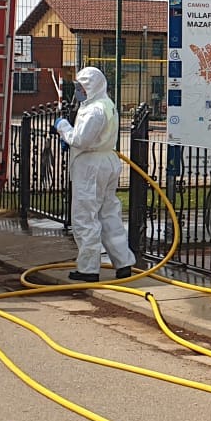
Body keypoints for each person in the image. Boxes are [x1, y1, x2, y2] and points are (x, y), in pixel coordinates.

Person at [55, 66, 137, 282]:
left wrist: (63, 128)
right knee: (108, 213)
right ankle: (123, 262)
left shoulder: (94, 110)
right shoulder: (105, 104)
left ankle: (88, 269)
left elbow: (81, 140)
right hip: (107, 160)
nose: (78, 91)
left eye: (81, 87)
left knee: (85, 216)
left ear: (91, 87)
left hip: (91, 166)